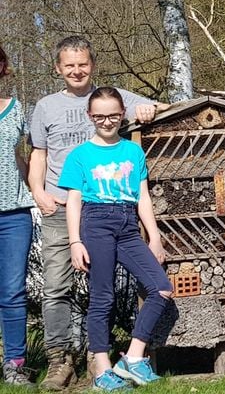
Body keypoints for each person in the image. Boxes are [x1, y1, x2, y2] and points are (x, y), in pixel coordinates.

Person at [28, 36, 168, 390]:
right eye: (69, 65)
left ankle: (113, 359)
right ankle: (65, 361)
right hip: (68, 210)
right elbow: (38, 154)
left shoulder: (117, 107)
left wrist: (149, 108)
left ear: (92, 65)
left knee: (139, 289)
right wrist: (38, 192)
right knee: (61, 288)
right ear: (58, 68)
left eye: (83, 64)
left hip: (120, 219)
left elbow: (142, 192)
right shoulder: (46, 107)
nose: (77, 70)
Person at [58, 87, 172, 391]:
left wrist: (154, 237)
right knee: (103, 297)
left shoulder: (133, 151)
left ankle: (133, 358)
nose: (106, 121)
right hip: (96, 223)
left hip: (128, 224)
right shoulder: (80, 155)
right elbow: (73, 201)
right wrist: (75, 242)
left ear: (122, 115)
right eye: (99, 116)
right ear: (89, 116)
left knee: (161, 288)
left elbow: (143, 197)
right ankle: (102, 370)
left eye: (112, 116)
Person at [0, 45, 35, 386]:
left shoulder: (15, 108)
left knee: (12, 292)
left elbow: (23, 157)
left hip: (14, 214)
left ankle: (14, 365)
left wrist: (38, 191)